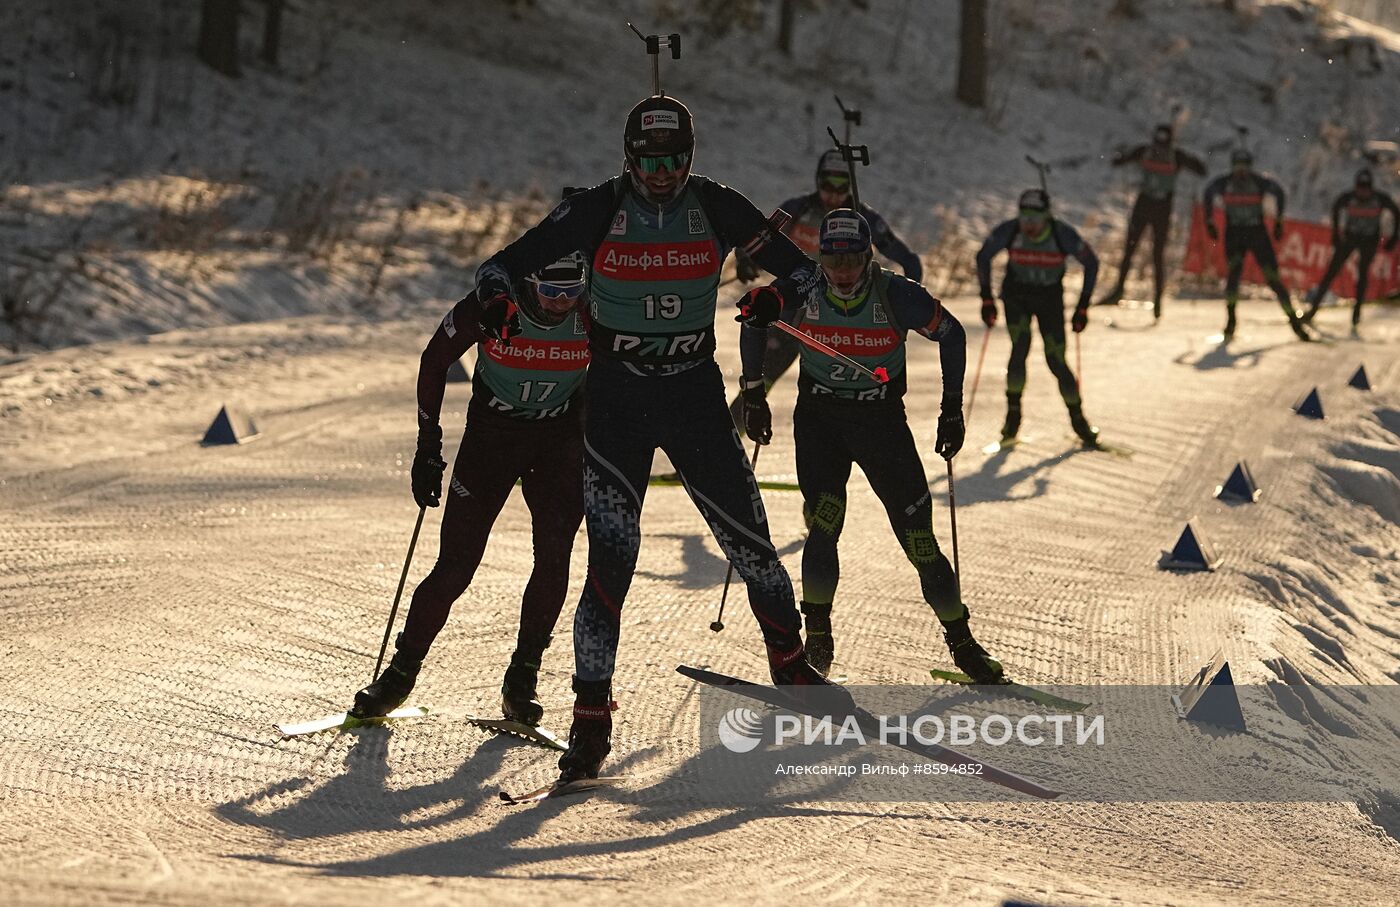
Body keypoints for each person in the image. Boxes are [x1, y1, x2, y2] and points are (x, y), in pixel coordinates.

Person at [472, 95, 851, 785]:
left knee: (751, 542)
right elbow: (500, 266)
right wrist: (498, 302)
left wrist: (773, 300)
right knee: (610, 564)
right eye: (649, 159)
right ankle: (591, 723)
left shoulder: (714, 204)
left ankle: (792, 667)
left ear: (691, 157)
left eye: (675, 158)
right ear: (629, 156)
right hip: (615, 399)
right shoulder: (596, 209)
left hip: (693, 396)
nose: (662, 172)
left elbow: (807, 275)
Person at [738, 209, 1005, 684]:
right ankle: (816, 641)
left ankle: (963, 644)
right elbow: (755, 313)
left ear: (867, 257)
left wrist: (951, 409)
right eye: (832, 260)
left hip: (881, 424)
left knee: (920, 540)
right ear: (821, 257)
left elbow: (952, 332)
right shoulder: (807, 286)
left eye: (851, 261)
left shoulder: (896, 293)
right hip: (820, 422)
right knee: (824, 525)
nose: (841, 272)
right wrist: (754, 390)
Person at [350, 255, 592, 728]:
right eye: (549, 293)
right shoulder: (492, 306)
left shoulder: (593, 310)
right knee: (456, 564)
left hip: (559, 439)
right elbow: (434, 360)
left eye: (571, 292)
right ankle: (400, 674)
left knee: (554, 556)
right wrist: (427, 445)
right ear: (529, 282)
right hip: (492, 437)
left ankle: (522, 677)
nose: (560, 304)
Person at [727, 149, 923, 430]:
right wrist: (747, 261)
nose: (833, 193)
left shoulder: (862, 218)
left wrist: (904, 302)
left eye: (842, 186)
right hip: (792, 308)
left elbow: (909, 261)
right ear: (817, 181)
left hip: (841, 315)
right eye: (827, 184)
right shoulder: (797, 209)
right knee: (759, 380)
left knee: (848, 390)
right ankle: (727, 448)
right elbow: (757, 239)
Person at [976, 188, 1101, 447]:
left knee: (1056, 360)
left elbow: (1092, 263)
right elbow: (983, 256)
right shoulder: (1011, 230)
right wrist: (986, 297)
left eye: (1035, 218)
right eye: (1024, 217)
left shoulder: (1061, 234)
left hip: (1049, 300)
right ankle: (1012, 418)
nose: (1029, 225)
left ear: (1047, 216)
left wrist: (1083, 307)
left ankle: (1078, 420)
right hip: (1017, 296)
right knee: (1020, 349)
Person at [1201, 149, 1310, 341]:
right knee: (1233, 277)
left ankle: (1294, 322)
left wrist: (1278, 221)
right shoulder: (1225, 182)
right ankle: (1231, 322)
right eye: (1238, 167)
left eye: (1245, 167)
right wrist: (1209, 221)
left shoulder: (1258, 182)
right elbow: (1208, 192)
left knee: (1273, 279)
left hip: (1256, 234)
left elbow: (1279, 192)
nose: (1241, 171)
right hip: (1234, 234)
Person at [1102, 123, 1206, 318]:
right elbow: (1122, 160)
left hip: (1160, 209)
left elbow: (1200, 169)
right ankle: (1121, 292)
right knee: (1132, 250)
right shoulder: (1150, 152)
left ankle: (1157, 300)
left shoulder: (1174, 155)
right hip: (1146, 205)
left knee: (1155, 255)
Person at [1301, 167, 1399, 330]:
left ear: (1371, 188)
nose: (1362, 192)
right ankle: (1313, 309)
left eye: (1365, 188)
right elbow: (1336, 208)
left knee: (1362, 275)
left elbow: (1396, 212)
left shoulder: (1379, 198)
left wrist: (1394, 236)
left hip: (1369, 240)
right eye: (1360, 188)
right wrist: (1336, 234)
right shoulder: (1349, 197)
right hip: (1351, 237)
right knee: (1331, 272)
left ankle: (1356, 313)